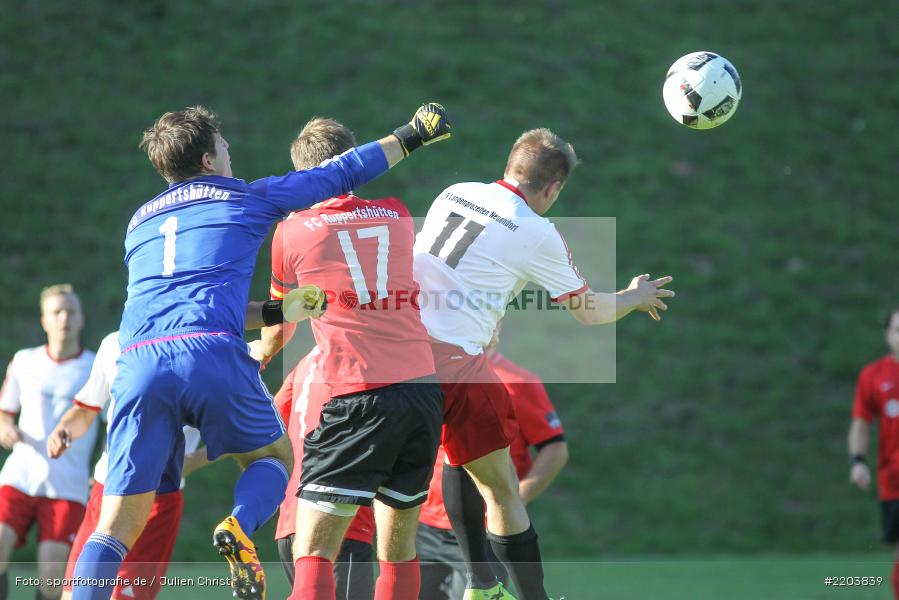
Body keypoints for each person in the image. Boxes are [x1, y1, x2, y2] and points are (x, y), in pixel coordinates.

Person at [71, 103, 451, 600]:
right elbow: (339, 174)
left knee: (114, 525)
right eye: (224, 146)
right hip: (211, 352)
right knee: (273, 458)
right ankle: (239, 523)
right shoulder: (244, 198)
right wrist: (410, 136)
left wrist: (276, 312)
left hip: (137, 359)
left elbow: (190, 299)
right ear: (209, 160)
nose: (231, 152)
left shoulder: (139, 223)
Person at [412, 128, 674, 600]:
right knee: (502, 489)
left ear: (511, 164)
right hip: (453, 363)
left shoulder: (455, 192)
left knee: (439, 468)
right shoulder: (537, 231)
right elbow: (587, 310)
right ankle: (517, 595)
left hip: (396, 349)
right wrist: (634, 297)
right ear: (553, 188)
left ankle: (481, 583)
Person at [253, 116, 445, 600]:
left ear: (303, 175)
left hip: (358, 397)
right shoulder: (398, 214)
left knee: (313, 551)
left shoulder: (290, 232)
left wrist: (259, 353)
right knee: (398, 550)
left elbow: (279, 328)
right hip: (422, 396)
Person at [47, 331, 202, 600]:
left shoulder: (208, 346)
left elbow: (241, 430)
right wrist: (64, 428)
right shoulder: (115, 342)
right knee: (73, 595)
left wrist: (190, 462)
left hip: (157, 502)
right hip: (104, 493)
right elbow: (86, 410)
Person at [418, 328, 568, 599]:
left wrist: (516, 498)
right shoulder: (430, 372)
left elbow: (554, 447)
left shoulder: (518, 381)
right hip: (426, 522)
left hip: (485, 526)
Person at [0, 284, 96, 600]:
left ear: (81, 319)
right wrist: (5, 428)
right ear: (44, 320)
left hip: (67, 484)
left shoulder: (96, 369)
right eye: (56, 311)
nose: (64, 317)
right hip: (19, 476)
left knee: (53, 577)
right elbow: (4, 412)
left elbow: (115, 425)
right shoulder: (24, 361)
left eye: (70, 311)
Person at [272, 348, 375, 600]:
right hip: (338, 523)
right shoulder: (361, 360)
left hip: (291, 523)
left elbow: (272, 422)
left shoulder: (304, 363)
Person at [848, 307, 899, 600]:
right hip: (894, 481)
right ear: (887, 335)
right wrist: (857, 462)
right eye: (898, 330)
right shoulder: (874, 375)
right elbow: (861, 423)